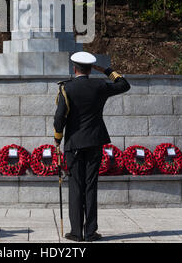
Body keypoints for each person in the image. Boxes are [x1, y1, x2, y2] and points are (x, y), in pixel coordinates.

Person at [53, 51, 131, 242]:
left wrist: (57, 139)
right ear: (90, 68)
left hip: (74, 144)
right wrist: (106, 70)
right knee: (91, 187)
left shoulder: (66, 88)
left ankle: (76, 232)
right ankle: (90, 232)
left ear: (74, 68)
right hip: (95, 142)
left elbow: (59, 117)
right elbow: (124, 84)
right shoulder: (99, 85)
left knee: (76, 186)